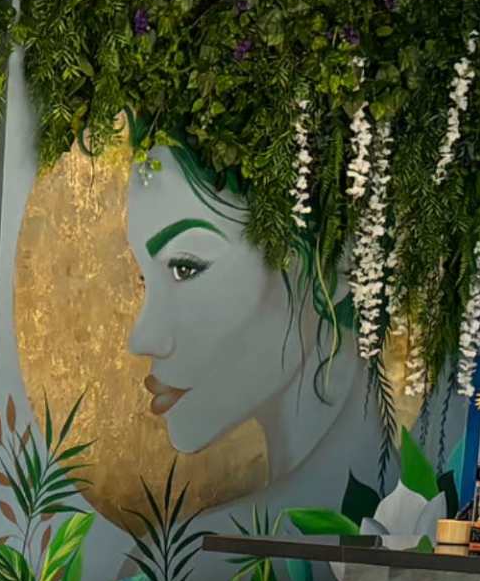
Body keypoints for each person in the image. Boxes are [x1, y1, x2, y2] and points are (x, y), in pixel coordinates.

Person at [120, 134, 385, 519]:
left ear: (331, 262)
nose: (142, 338)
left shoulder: (190, 561)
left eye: (185, 267)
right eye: (145, 281)